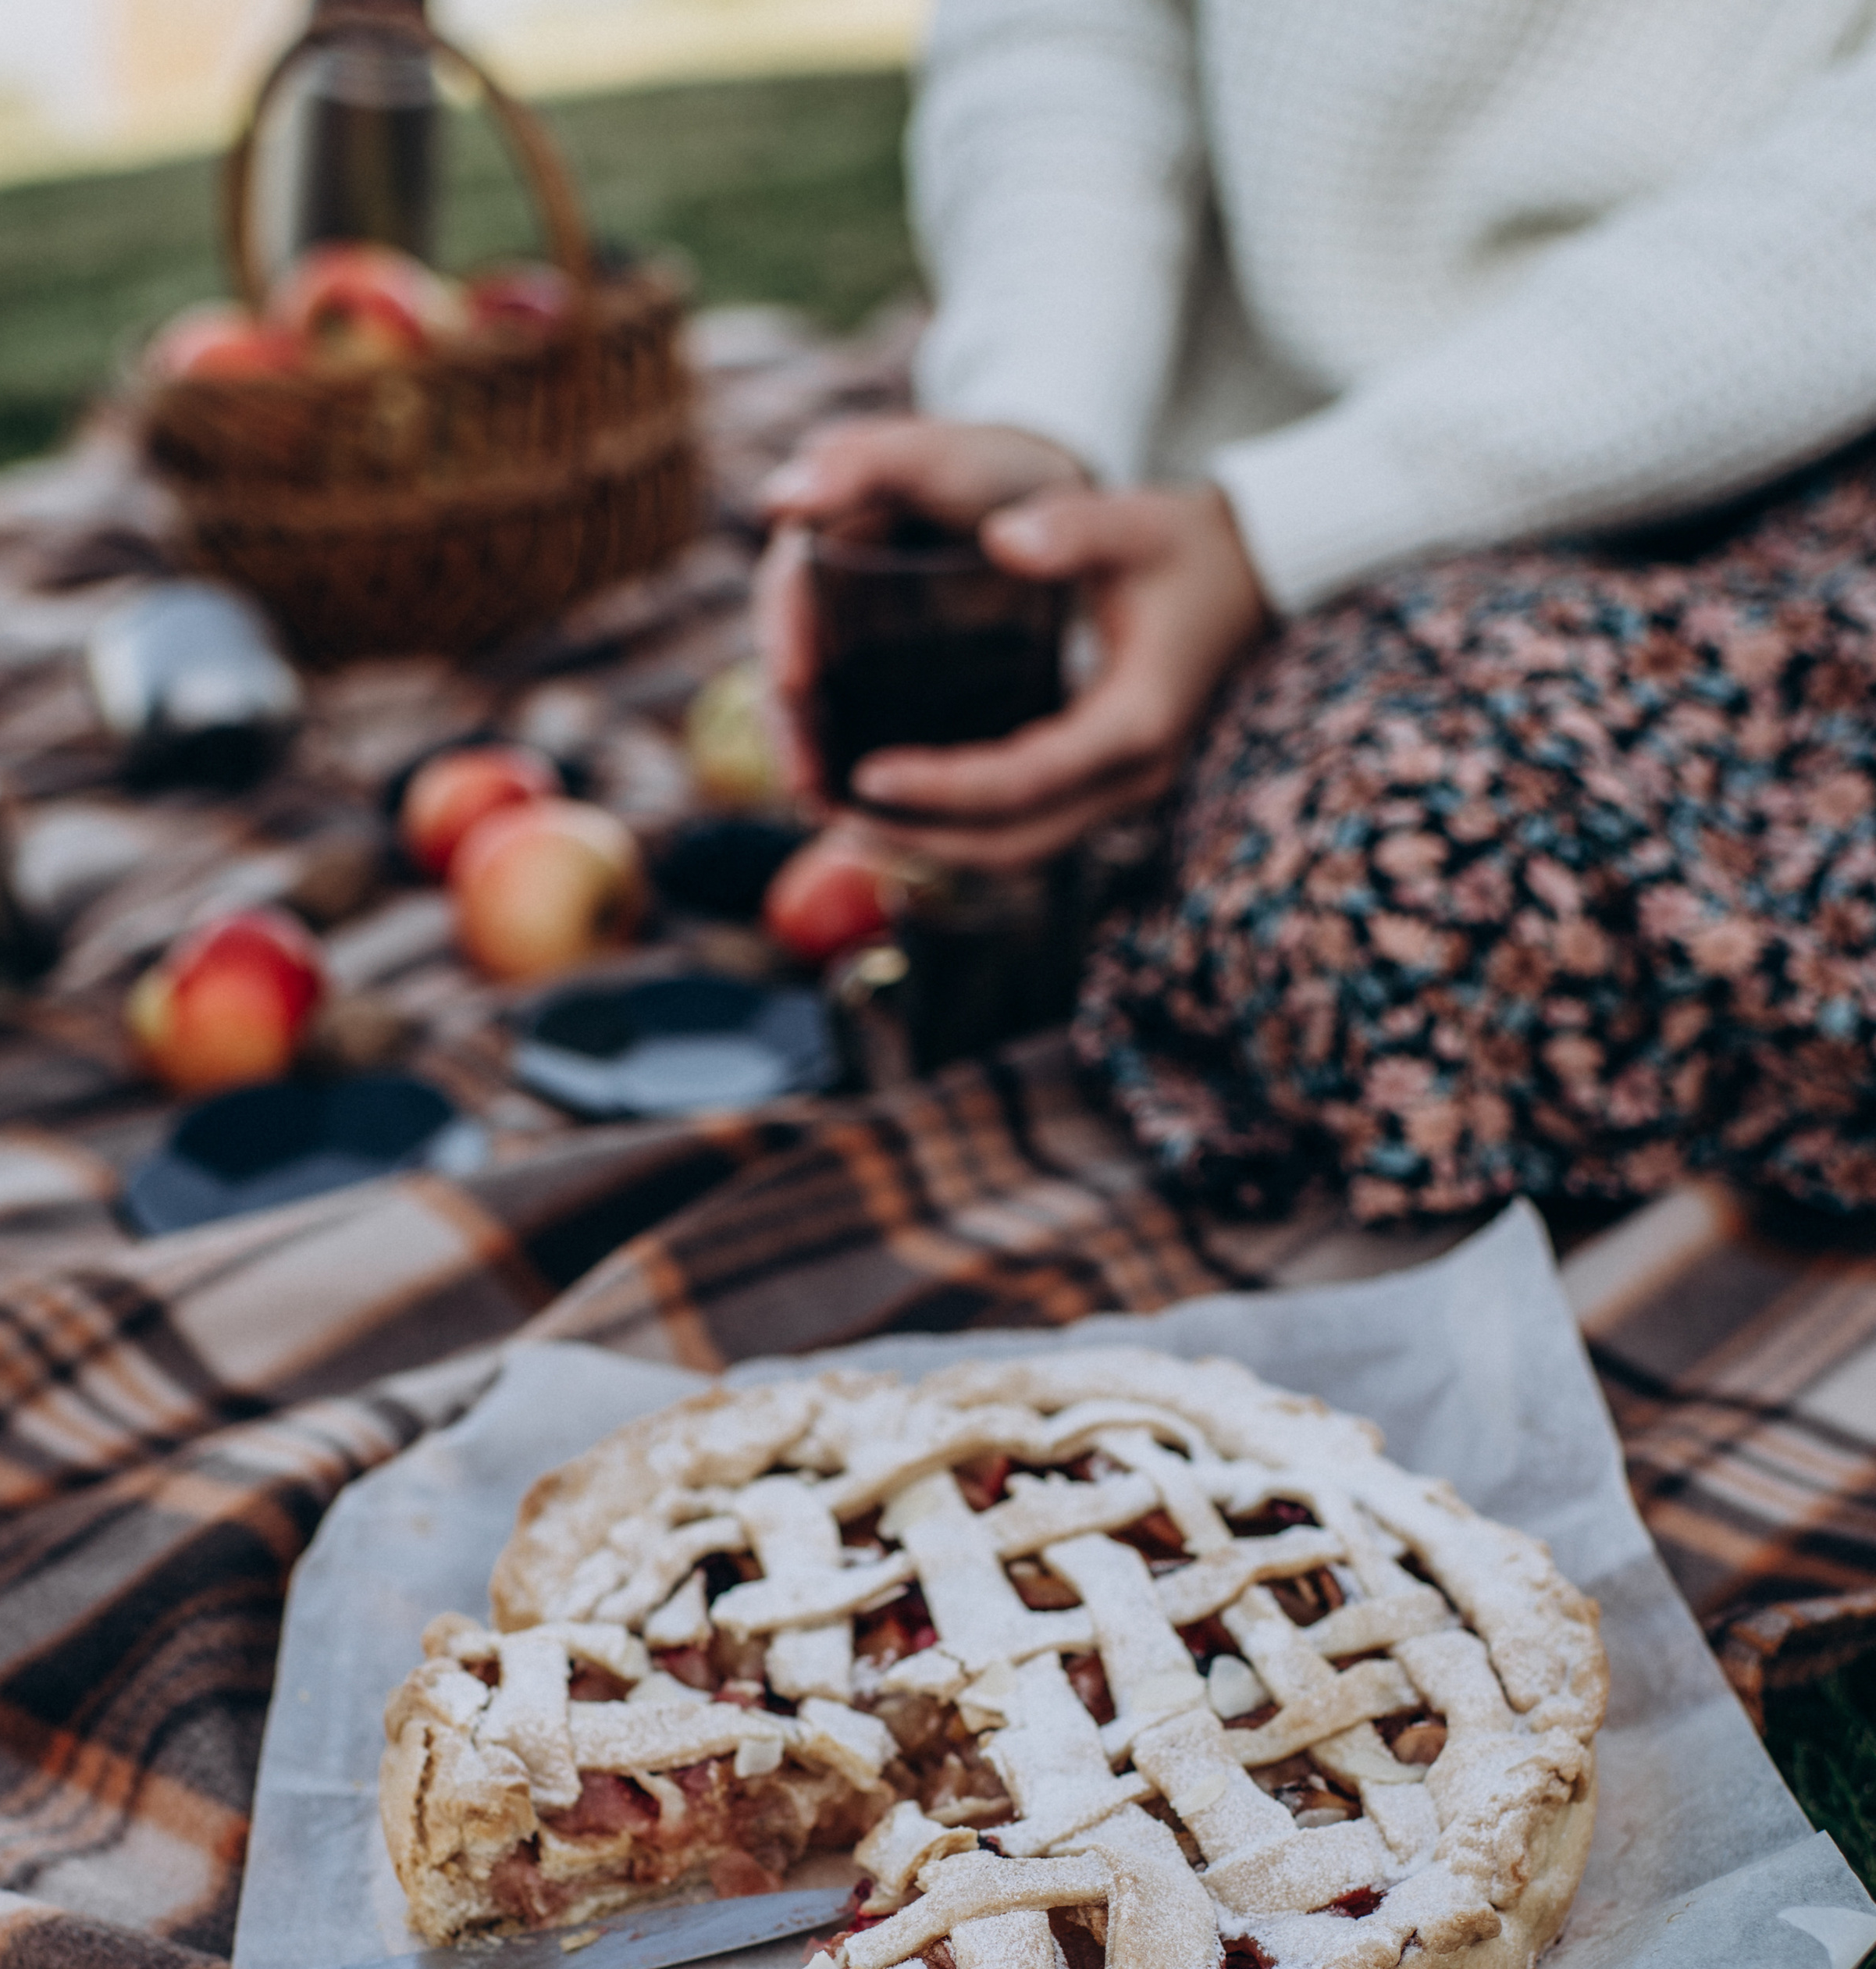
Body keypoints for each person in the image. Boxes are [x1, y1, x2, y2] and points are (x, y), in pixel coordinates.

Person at [760, 0, 1876, 1220]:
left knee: (1408, 893)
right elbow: (1064, 35)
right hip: (1250, 443)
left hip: (1806, 436)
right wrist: (1041, 415)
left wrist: (1282, 529)